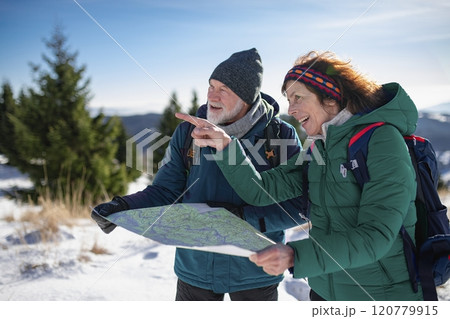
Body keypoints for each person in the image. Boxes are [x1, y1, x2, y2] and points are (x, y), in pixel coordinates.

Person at [175, 50, 423, 301]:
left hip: (381, 294)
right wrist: (227, 146)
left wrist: (295, 255)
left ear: (330, 97)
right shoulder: (318, 147)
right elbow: (261, 191)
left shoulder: (382, 140)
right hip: (325, 290)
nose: (291, 109)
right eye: (288, 99)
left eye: (298, 98)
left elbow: (375, 237)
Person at [91, 48, 306, 301]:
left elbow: (300, 205)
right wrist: (123, 206)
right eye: (211, 86)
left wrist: (242, 219)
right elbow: (165, 190)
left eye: (223, 89)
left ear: (246, 97)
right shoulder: (187, 133)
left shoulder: (280, 136)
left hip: (255, 269)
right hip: (195, 269)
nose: (212, 96)